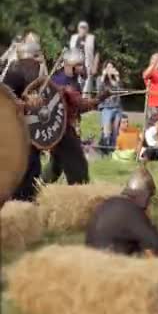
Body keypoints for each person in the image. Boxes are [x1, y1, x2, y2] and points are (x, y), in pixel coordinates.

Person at [42, 48, 110, 185]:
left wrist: (94, 102)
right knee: (79, 168)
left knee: (56, 166)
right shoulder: (60, 81)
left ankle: (36, 183)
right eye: (79, 65)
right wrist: (99, 99)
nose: (81, 68)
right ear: (70, 65)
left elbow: (77, 109)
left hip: (68, 128)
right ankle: (79, 192)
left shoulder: (73, 81)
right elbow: (81, 104)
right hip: (63, 130)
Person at [85, 166, 158, 257]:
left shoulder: (113, 203)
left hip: (93, 258)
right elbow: (156, 242)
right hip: (108, 262)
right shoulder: (131, 212)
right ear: (145, 196)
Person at [2, 40, 46, 201]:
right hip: (14, 129)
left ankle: (27, 201)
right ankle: (17, 202)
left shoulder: (34, 74)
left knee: (33, 167)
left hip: (30, 129)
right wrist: (25, 103)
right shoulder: (15, 72)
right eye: (37, 58)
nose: (39, 62)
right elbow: (6, 98)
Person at [97, 61, 123, 149]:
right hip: (106, 107)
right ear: (104, 69)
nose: (110, 69)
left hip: (117, 107)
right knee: (106, 129)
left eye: (112, 67)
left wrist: (117, 77)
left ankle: (112, 149)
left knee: (115, 130)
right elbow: (99, 90)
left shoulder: (116, 80)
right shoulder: (100, 78)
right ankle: (103, 147)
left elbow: (121, 91)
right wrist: (104, 76)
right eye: (108, 67)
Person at [69, 21, 96, 95]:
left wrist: (94, 66)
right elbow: (70, 52)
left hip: (87, 65)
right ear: (78, 28)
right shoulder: (73, 38)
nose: (82, 29)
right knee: (76, 86)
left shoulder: (91, 38)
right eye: (81, 27)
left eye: (84, 28)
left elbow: (96, 53)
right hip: (76, 65)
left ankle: (85, 103)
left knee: (87, 90)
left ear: (87, 29)